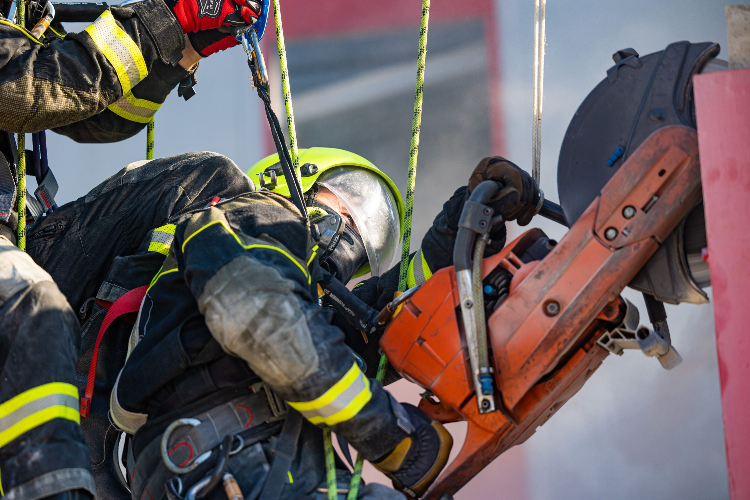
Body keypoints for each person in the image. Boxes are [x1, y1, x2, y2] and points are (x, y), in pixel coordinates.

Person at [111, 148, 540, 499]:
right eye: (349, 208)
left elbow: (390, 319)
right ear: (289, 181)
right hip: (229, 463)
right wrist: (386, 431)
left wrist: (462, 230)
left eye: (371, 237)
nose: (358, 237)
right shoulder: (245, 218)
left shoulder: (308, 309)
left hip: (239, 468)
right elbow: (262, 319)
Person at [0, 0, 261, 498]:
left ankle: (118, 429)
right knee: (32, 303)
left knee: (208, 189)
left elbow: (93, 114)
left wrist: (182, 47)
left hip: (17, 237)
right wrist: (166, 19)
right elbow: (22, 90)